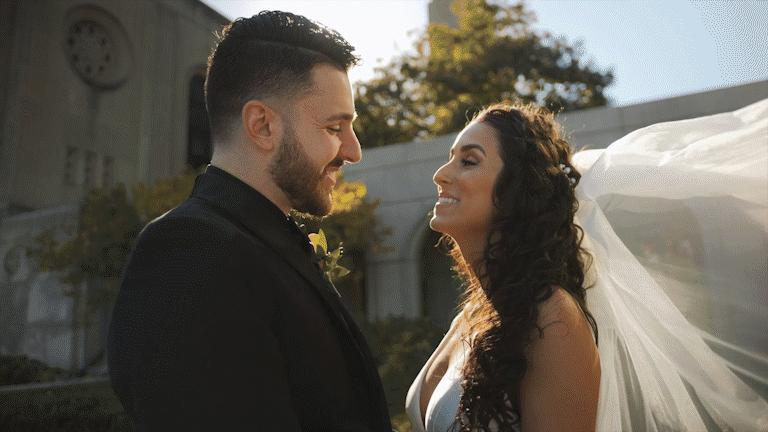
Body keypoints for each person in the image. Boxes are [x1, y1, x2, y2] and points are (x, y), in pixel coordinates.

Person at [107, 11, 392, 432]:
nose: (353, 151)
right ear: (262, 126)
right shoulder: (190, 254)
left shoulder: (262, 241)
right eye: (335, 127)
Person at [406, 101, 768, 431]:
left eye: (468, 161)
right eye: (450, 158)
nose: (441, 173)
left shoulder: (550, 319)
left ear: (516, 190)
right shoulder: (472, 314)